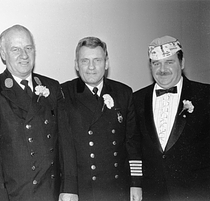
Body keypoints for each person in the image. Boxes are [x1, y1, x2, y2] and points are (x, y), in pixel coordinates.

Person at [0, 25, 63, 201]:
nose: (24, 55)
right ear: (3, 54)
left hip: (51, 191)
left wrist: (67, 188)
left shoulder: (52, 87)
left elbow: (63, 142)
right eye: (15, 49)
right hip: (16, 193)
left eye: (28, 48)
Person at [59, 36, 142, 201]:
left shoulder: (123, 93)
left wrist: (136, 183)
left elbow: (132, 143)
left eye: (97, 60)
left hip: (117, 188)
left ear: (106, 63)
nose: (91, 67)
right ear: (76, 64)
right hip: (82, 190)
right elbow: (63, 147)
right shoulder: (64, 93)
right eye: (85, 61)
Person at [133, 35, 210, 200]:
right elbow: (133, 147)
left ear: (182, 63)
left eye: (169, 62)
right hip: (151, 193)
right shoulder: (136, 99)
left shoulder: (205, 96)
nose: (162, 69)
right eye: (156, 63)